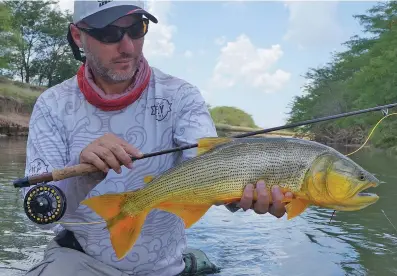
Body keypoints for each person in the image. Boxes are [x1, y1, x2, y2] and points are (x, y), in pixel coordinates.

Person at [22, 0, 293, 275]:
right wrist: (84, 176)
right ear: (78, 36)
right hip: (79, 262)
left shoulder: (181, 95)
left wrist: (241, 195)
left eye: (137, 30)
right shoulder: (52, 105)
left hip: (164, 269)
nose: (127, 47)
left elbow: (210, 166)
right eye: (109, 33)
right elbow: (40, 213)